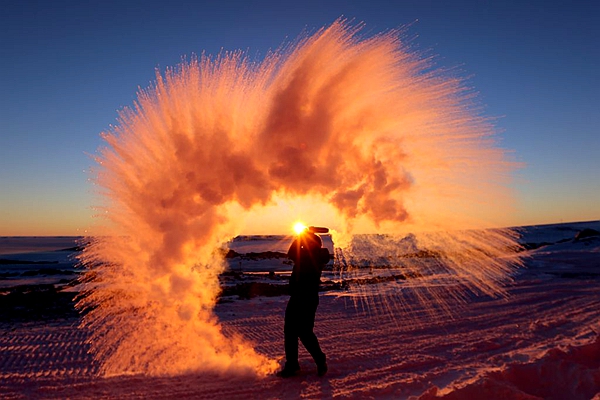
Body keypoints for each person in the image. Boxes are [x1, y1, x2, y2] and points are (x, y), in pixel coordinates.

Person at [277, 227, 329, 378]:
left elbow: (292, 253)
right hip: (301, 297)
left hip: (305, 298)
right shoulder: (314, 255)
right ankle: (293, 365)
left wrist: (301, 236)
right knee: (292, 332)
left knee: (302, 332)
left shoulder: (310, 256)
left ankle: (319, 360)